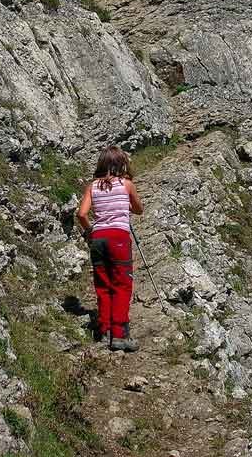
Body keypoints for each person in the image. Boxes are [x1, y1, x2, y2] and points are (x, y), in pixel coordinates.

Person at [77, 146, 143, 352]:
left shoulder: (92, 187)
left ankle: (104, 332)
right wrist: (126, 205)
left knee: (103, 284)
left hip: (98, 238)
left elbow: (81, 214)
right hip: (119, 238)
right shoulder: (127, 185)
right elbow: (139, 209)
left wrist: (91, 231)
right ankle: (120, 335)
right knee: (122, 285)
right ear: (121, 164)